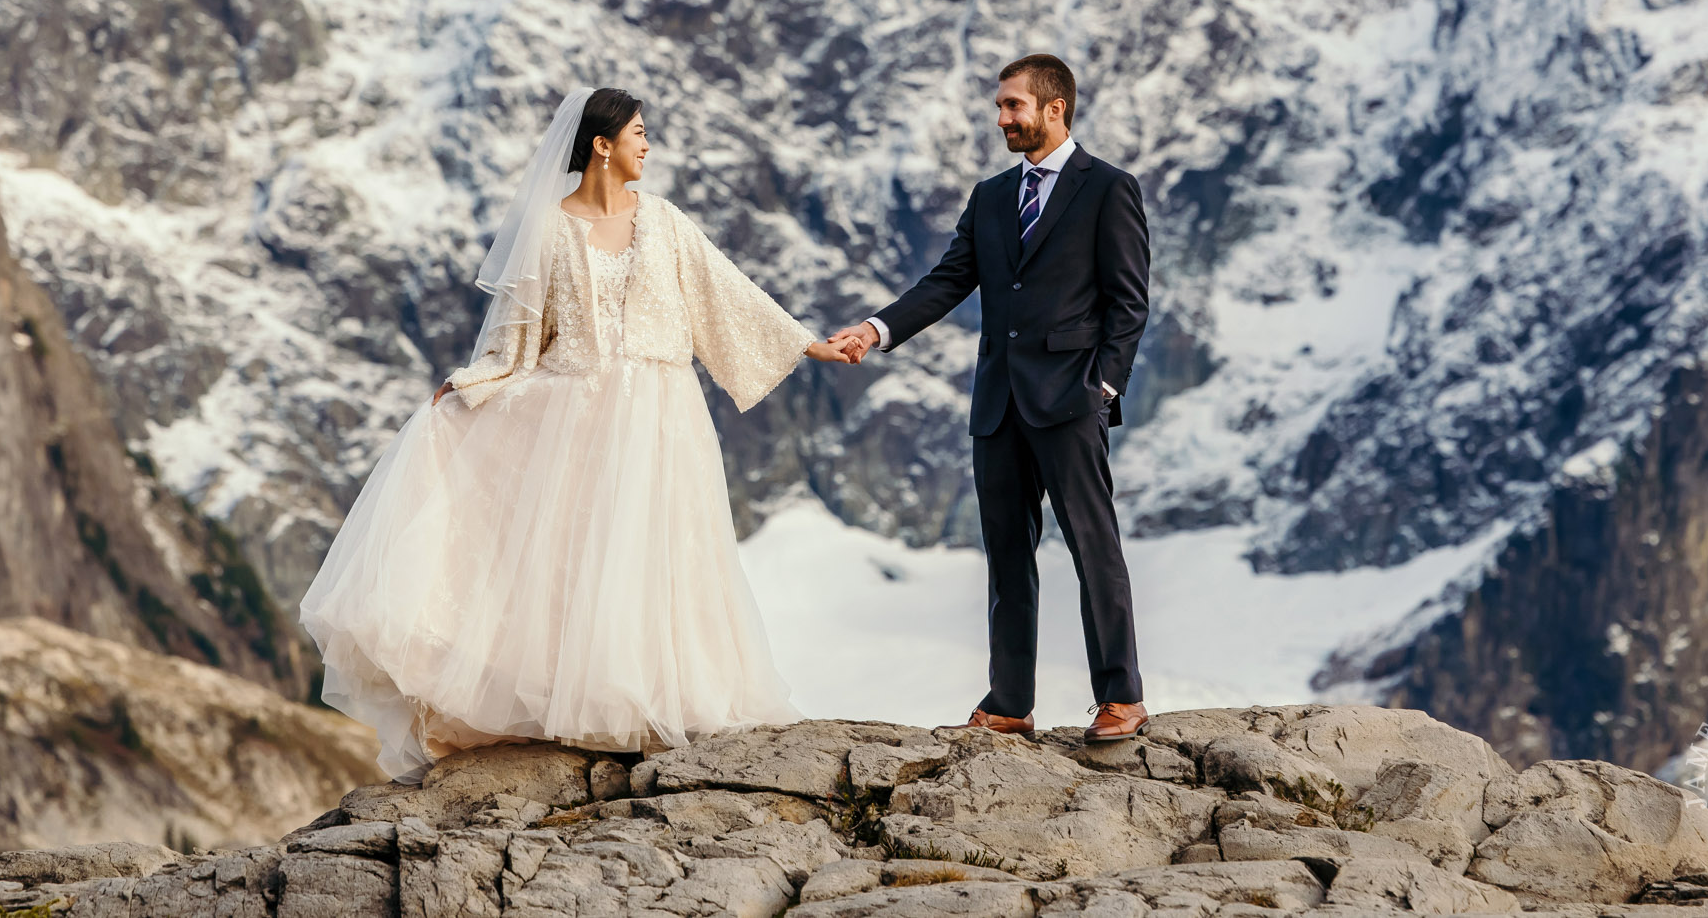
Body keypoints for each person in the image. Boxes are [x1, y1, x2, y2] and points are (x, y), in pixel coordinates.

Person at [301, 87, 866, 776]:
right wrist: (470, 386)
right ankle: (575, 703)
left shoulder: (665, 222)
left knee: (658, 553)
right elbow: (518, 336)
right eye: (638, 132)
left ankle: (657, 698)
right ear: (602, 144)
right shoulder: (550, 227)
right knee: (573, 559)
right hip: (575, 411)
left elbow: (729, 294)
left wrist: (811, 344)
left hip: (662, 412)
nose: (647, 145)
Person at [830, 54, 1151, 744]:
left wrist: (1104, 385)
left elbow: (1129, 302)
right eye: (1001, 107)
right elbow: (947, 281)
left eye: (1013, 106)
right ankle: (1010, 701)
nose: (1002, 118)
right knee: (1007, 553)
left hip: (1071, 401)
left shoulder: (1108, 189)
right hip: (998, 403)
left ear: (1054, 107)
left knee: (1094, 545)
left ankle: (1121, 694)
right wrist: (877, 328)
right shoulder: (991, 196)